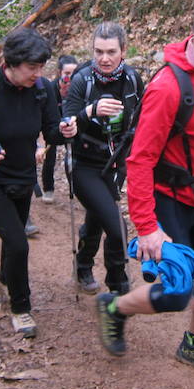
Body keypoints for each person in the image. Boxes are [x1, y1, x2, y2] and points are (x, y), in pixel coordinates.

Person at [95, 0, 194, 380]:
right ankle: (115, 307)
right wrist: (146, 226)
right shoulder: (167, 87)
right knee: (177, 292)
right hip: (168, 198)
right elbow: (140, 160)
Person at [0, 28, 77, 337]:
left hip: (23, 176)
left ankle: (7, 279)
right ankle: (21, 308)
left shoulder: (43, 89)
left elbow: (51, 132)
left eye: (41, 67)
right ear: (11, 63)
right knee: (19, 242)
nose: (38, 73)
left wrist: (66, 130)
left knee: (12, 240)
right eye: (31, 67)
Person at [63, 23, 144, 295]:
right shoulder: (82, 80)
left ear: (124, 50)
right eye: (98, 51)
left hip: (116, 163)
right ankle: (118, 286)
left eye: (111, 51)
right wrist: (91, 110)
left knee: (98, 216)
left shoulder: (132, 80)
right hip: (84, 163)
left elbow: (142, 119)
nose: (104, 58)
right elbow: (66, 123)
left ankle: (83, 265)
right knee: (117, 226)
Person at [39, 55, 78, 203]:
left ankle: (75, 189)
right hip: (53, 124)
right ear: (60, 72)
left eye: (74, 73)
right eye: (67, 73)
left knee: (73, 156)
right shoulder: (51, 87)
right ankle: (48, 189)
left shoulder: (77, 87)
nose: (70, 77)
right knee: (50, 155)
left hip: (71, 123)